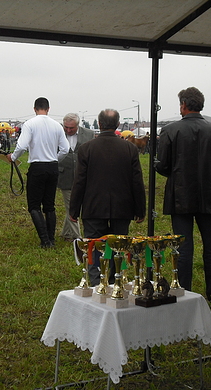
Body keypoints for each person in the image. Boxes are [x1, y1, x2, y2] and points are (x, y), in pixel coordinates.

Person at [155, 87, 211, 301]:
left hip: (180, 196)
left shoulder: (170, 130)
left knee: (183, 246)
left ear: (183, 105)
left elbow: (163, 166)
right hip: (207, 194)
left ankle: (184, 290)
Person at [69, 108, 146, 285]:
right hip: (122, 208)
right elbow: (137, 182)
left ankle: (97, 283)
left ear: (100, 124)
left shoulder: (86, 148)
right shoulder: (130, 149)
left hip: (93, 207)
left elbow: (79, 182)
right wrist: (140, 210)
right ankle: (115, 281)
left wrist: (74, 210)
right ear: (117, 125)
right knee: (118, 249)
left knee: (95, 247)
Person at [7, 97, 69, 248]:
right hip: (53, 167)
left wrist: (13, 157)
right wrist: (55, 158)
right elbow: (65, 149)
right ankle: (51, 240)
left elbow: (21, 146)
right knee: (49, 205)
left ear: (34, 109)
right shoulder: (57, 125)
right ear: (48, 109)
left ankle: (45, 241)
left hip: (37, 167)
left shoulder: (30, 124)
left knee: (34, 206)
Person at [57, 113, 95, 241]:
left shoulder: (89, 134)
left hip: (84, 176)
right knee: (71, 207)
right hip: (65, 176)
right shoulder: (57, 133)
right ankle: (77, 238)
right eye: (66, 127)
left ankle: (66, 233)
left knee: (75, 206)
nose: (68, 130)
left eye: (71, 128)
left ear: (78, 126)